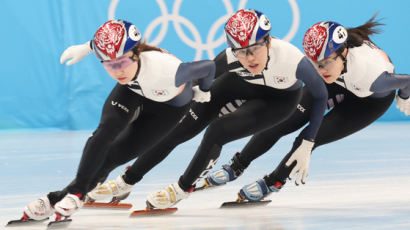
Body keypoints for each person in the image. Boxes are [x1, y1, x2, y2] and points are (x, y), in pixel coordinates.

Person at [21, 19, 216, 221]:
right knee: (105, 132)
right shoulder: (123, 70)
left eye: (122, 63)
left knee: (112, 158)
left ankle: (58, 198)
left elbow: (209, 67)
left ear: (136, 53)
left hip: (167, 110)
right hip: (133, 90)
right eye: (109, 65)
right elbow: (106, 46)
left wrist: (204, 90)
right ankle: (75, 194)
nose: (118, 71)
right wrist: (88, 47)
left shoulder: (169, 70)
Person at [205, 15, 410, 202]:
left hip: (368, 102)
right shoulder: (326, 63)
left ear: (343, 53)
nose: (321, 70)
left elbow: (407, 81)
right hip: (335, 83)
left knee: (309, 139)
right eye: (315, 63)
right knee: (281, 121)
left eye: (326, 63)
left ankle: (274, 181)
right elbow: (320, 68)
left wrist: (405, 96)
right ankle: (237, 165)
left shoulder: (374, 77)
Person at [144, 9, 329, 209]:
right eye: (241, 51)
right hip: (247, 86)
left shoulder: (292, 59)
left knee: (218, 130)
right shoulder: (230, 58)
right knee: (198, 121)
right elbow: (197, 80)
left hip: (280, 101)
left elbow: (321, 95)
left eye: (255, 48)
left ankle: (182, 188)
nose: (249, 58)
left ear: (267, 41)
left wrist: (309, 141)